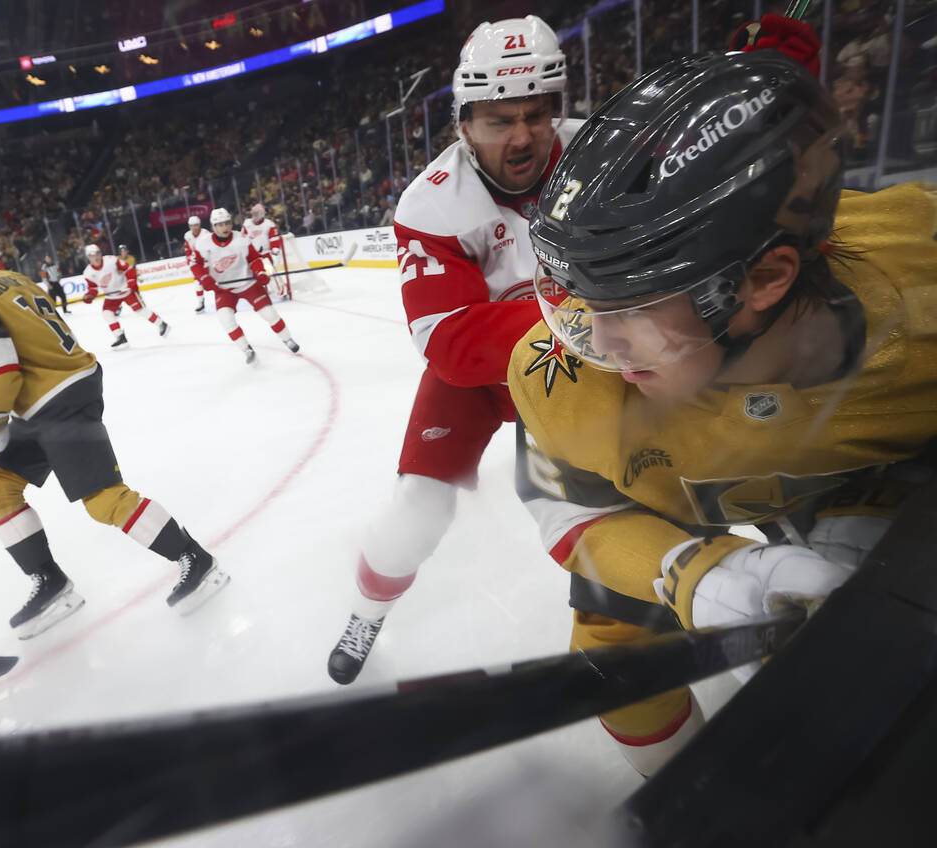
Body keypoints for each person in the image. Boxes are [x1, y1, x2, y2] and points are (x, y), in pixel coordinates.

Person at [510, 49, 937, 776]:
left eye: (632, 305)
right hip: (693, 496)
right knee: (615, 661)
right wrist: (692, 572)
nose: (597, 343)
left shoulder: (922, 285)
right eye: (582, 297)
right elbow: (568, 510)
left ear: (764, 278)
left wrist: (877, 513)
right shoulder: (561, 376)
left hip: (854, 469)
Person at [326, 15, 584, 684]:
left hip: (582, 360)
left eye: (536, 114)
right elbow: (450, 345)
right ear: (464, 123)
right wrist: (590, 312)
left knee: (594, 498)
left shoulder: (599, 155)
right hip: (502, 373)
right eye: (499, 120)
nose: (522, 135)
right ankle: (367, 613)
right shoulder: (431, 203)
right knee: (417, 510)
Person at [0, 215, 229, 637]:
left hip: (54, 399)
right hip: (50, 395)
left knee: (103, 499)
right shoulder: (14, 279)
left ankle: (195, 560)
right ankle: (50, 581)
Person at [191, 207, 300, 365]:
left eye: (227, 223)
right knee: (225, 319)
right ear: (213, 226)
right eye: (220, 225)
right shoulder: (203, 244)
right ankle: (246, 349)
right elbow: (195, 264)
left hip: (248, 284)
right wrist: (204, 278)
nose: (225, 227)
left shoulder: (241, 239)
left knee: (269, 314)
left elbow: (254, 259)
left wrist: (260, 272)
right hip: (223, 289)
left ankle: (287, 339)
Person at [82, 243, 168, 350]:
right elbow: (93, 288)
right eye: (92, 255)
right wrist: (89, 295)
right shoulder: (88, 272)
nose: (96, 257)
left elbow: (128, 268)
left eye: (97, 253)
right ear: (88, 257)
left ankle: (161, 324)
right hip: (111, 296)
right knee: (107, 314)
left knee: (140, 310)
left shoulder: (111, 260)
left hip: (126, 290)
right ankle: (120, 336)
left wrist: (131, 282)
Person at [240, 203, 283, 273]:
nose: (255, 215)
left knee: (269, 273)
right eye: (254, 213)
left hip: (266, 254)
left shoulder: (269, 224)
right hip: (253, 257)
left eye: (257, 213)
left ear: (262, 214)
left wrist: (275, 248)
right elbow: (242, 239)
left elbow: (273, 238)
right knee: (255, 275)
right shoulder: (247, 224)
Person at [183, 214, 211, 313]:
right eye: (191, 225)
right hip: (198, 264)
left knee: (217, 283)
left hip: (209, 263)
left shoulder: (206, 234)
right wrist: (190, 261)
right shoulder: (187, 236)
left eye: (196, 225)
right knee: (197, 284)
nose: (194, 227)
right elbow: (187, 250)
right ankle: (201, 302)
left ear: (199, 225)